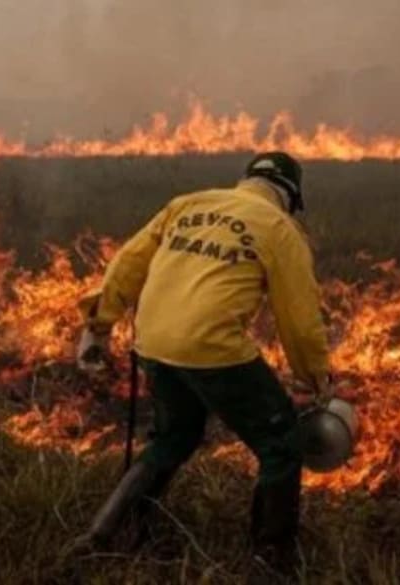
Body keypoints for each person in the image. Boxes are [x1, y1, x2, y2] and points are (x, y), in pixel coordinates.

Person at [70, 152, 332, 572]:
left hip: (153, 339)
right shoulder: (280, 228)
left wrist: (98, 325)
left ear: (245, 180)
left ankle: (102, 534)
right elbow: (299, 321)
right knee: (281, 444)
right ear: (289, 196)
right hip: (213, 348)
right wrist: (315, 378)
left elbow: (127, 263)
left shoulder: (187, 204)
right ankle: (272, 560)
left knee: (173, 438)